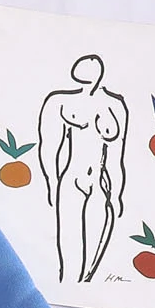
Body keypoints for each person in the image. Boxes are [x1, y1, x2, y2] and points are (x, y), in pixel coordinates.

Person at [37, 51, 128, 283]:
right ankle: (68, 281)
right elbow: (49, 147)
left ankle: (83, 282)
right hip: (72, 178)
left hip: (99, 182)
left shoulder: (115, 106)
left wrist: (116, 194)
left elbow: (116, 157)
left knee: (94, 248)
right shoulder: (60, 102)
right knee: (69, 241)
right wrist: (52, 182)